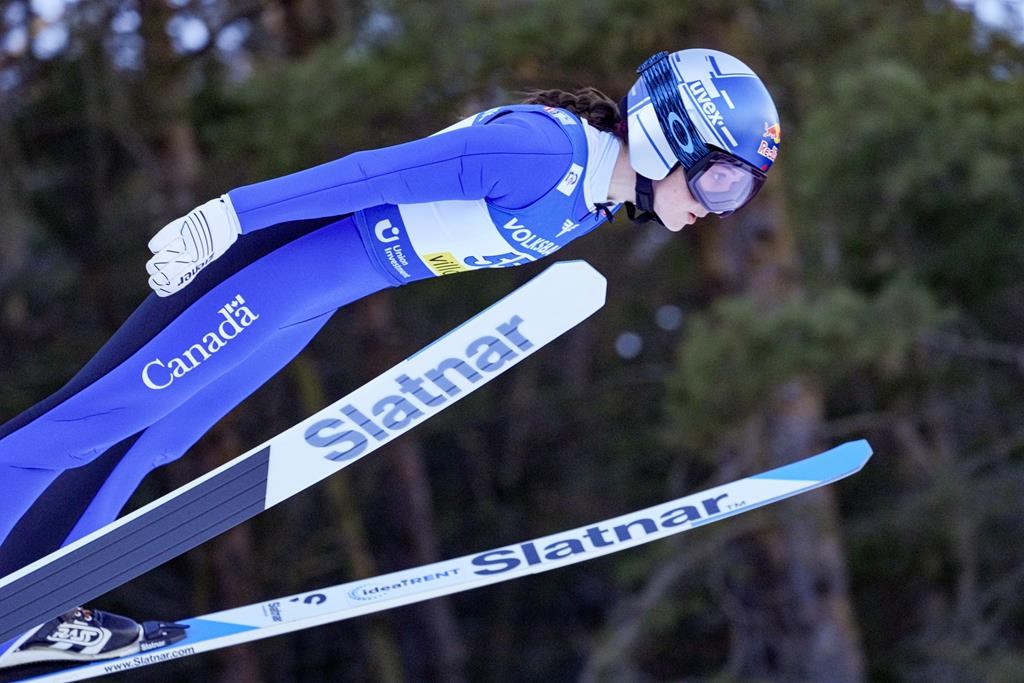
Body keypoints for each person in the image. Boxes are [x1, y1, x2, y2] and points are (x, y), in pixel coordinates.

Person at [0, 48, 780, 668]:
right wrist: (229, 218)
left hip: (307, 299)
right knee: (94, 420)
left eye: (736, 196)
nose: (715, 208)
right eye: (718, 181)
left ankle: (35, 602)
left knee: (152, 439)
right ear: (664, 132)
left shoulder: (594, 202)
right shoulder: (543, 154)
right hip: (265, 265)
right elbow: (376, 173)